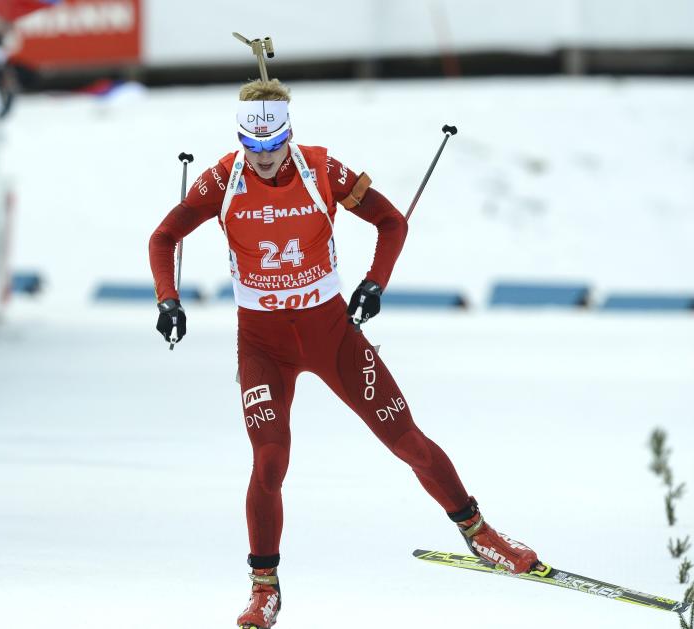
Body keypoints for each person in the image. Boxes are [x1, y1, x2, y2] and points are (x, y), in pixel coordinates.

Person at [147, 79, 539, 629]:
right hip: (263, 344)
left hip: (331, 334)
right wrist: (168, 298)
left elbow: (391, 221)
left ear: (289, 133)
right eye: (250, 146)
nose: (261, 158)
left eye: (272, 143)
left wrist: (375, 283)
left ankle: (481, 534)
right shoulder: (222, 177)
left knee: (409, 443)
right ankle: (264, 588)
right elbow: (164, 237)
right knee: (269, 461)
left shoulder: (319, 170)